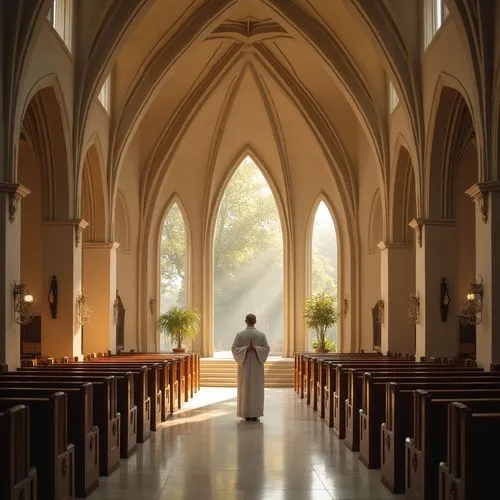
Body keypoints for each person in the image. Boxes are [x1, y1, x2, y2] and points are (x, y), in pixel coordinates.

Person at [231, 313, 270, 421]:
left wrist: (245, 349)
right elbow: (266, 349)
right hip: (257, 367)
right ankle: (255, 413)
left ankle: (245, 413)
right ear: (255, 321)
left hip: (244, 367)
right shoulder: (261, 335)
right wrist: (256, 348)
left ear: (245, 321)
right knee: (256, 389)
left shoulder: (240, 335)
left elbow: (234, 349)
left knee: (245, 388)